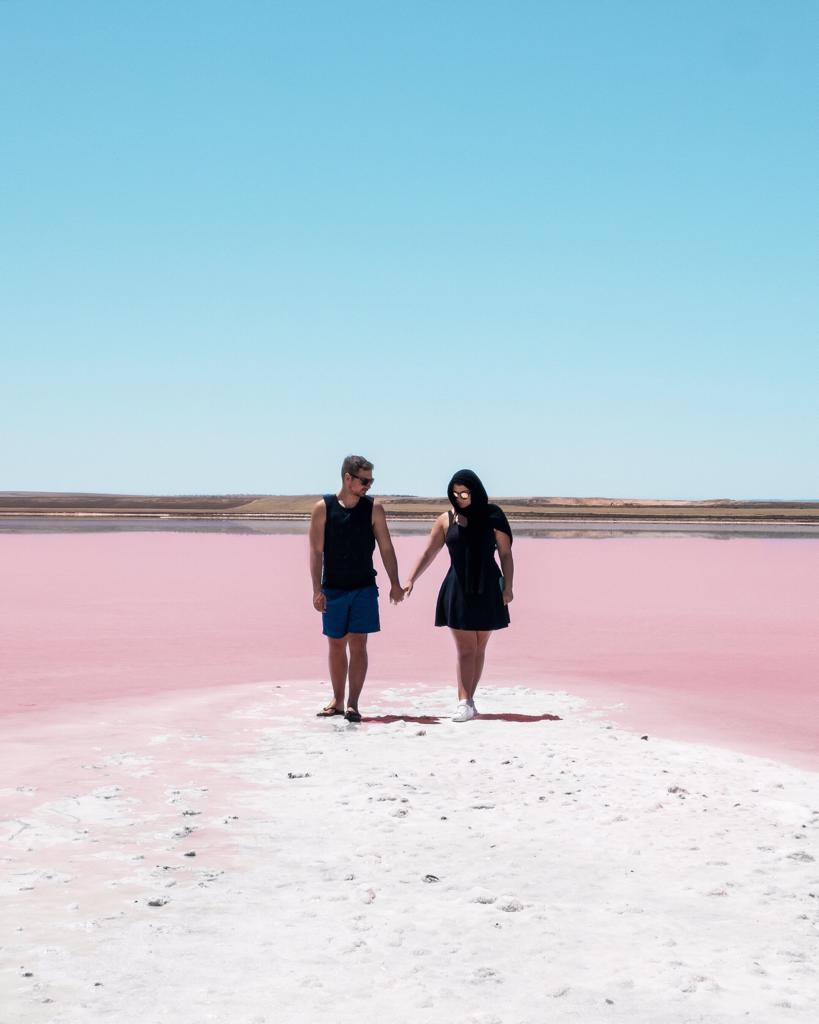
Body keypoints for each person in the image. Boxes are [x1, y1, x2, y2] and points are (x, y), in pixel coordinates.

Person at [404, 469, 513, 722]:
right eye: (455, 494)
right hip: (458, 587)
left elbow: (505, 554)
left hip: (487, 586)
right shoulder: (446, 520)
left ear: (475, 491)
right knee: (465, 648)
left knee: (479, 648)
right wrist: (411, 579)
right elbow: (428, 553)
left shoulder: (493, 515)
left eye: (465, 493)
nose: (460, 498)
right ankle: (463, 702)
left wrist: (508, 587)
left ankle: (470, 701)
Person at [309, 455, 404, 722]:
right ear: (347, 478)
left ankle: (352, 704)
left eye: (371, 481)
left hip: (363, 587)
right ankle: (337, 700)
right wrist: (316, 589)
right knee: (336, 645)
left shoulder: (374, 509)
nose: (368, 486)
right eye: (365, 480)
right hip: (333, 589)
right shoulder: (323, 508)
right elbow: (316, 552)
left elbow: (386, 547)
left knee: (359, 644)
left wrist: (395, 583)